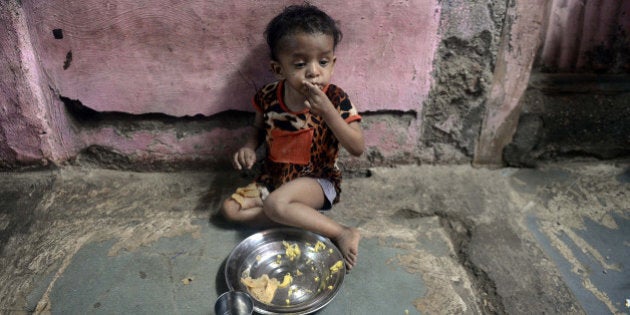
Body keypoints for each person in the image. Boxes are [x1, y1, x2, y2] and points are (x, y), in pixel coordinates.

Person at [220, 4, 364, 270]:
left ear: (333, 62)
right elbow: (258, 129)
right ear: (278, 69)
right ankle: (297, 217)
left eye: (323, 61)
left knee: (276, 203)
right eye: (300, 64)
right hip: (274, 177)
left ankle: (341, 231)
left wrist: (329, 113)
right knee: (229, 210)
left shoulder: (336, 98)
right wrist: (249, 147)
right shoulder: (268, 96)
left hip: (318, 181)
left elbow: (357, 147)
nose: (313, 72)